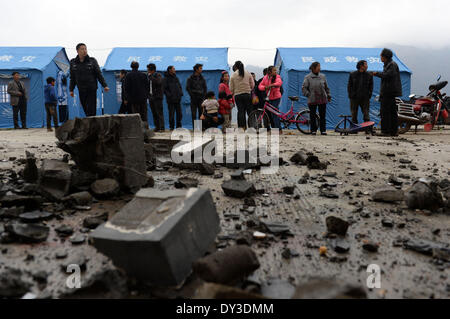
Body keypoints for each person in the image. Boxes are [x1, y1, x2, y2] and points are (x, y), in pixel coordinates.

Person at [69, 43, 109, 117]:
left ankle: (93, 124)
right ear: (77, 51)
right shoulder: (73, 63)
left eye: (85, 49)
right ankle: (90, 122)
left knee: (91, 108)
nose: (84, 51)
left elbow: (99, 74)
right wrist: (71, 89)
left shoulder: (92, 61)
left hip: (91, 88)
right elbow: (72, 77)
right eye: (82, 49)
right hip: (81, 89)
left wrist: (105, 85)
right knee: (85, 108)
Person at [372, 48, 403, 137]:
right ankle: (393, 131)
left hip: (389, 92)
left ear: (385, 56)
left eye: (381, 55)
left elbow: (387, 75)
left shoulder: (391, 65)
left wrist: (376, 74)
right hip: (389, 92)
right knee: (391, 112)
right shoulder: (388, 64)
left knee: (386, 112)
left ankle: (386, 131)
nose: (380, 57)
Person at [302, 62, 332, 136]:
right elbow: (304, 88)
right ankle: (313, 130)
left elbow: (326, 87)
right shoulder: (308, 77)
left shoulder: (323, 76)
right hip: (312, 99)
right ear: (313, 68)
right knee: (312, 115)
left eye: (320, 66)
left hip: (322, 98)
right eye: (318, 66)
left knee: (322, 115)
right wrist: (308, 95)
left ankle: (323, 130)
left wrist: (328, 96)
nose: (320, 68)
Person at [230, 61, 255, 130]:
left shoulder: (233, 75)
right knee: (250, 111)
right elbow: (252, 84)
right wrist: (249, 89)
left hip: (238, 95)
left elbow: (231, 88)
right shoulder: (248, 73)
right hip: (247, 94)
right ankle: (252, 127)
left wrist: (234, 92)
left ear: (235, 66)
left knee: (241, 111)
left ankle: (242, 127)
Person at [348, 60, 373, 127]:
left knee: (366, 114)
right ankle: (354, 128)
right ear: (361, 66)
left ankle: (367, 128)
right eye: (366, 64)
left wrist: (369, 95)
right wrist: (351, 95)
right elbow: (349, 86)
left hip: (365, 98)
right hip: (354, 98)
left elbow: (371, 86)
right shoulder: (352, 74)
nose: (367, 66)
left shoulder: (369, 75)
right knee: (354, 114)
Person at [258, 66, 283, 132]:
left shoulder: (277, 77)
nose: (276, 71)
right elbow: (260, 86)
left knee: (275, 114)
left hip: (276, 97)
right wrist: (265, 87)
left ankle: (278, 129)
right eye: (274, 70)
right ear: (269, 72)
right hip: (269, 98)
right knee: (272, 114)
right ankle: (276, 128)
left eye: (275, 70)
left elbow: (279, 83)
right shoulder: (265, 78)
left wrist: (272, 85)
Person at [186, 64, 207, 129]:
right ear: (196, 69)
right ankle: (196, 128)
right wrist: (192, 95)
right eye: (200, 68)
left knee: (201, 114)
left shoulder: (202, 78)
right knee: (194, 114)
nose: (201, 69)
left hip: (201, 98)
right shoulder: (190, 78)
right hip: (194, 98)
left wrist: (204, 96)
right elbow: (188, 88)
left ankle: (200, 127)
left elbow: (205, 88)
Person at [163, 66, 184, 130]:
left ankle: (179, 126)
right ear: (170, 70)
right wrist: (170, 95)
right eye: (173, 69)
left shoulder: (176, 77)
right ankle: (171, 126)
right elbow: (165, 89)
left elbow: (179, 86)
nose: (175, 70)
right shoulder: (166, 78)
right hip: (171, 100)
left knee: (179, 114)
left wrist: (180, 93)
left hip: (178, 99)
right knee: (171, 114)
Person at [147, 63, 165, 132]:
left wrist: (151, 77)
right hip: (151, 97)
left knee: (159, 113)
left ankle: (162, 127)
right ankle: (157, 127)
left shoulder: (158, 75)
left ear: (151, 70)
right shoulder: (148, 77)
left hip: (157, 97)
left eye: (148, 69)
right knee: (154, 113)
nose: (147, 70)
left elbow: (159, 82)